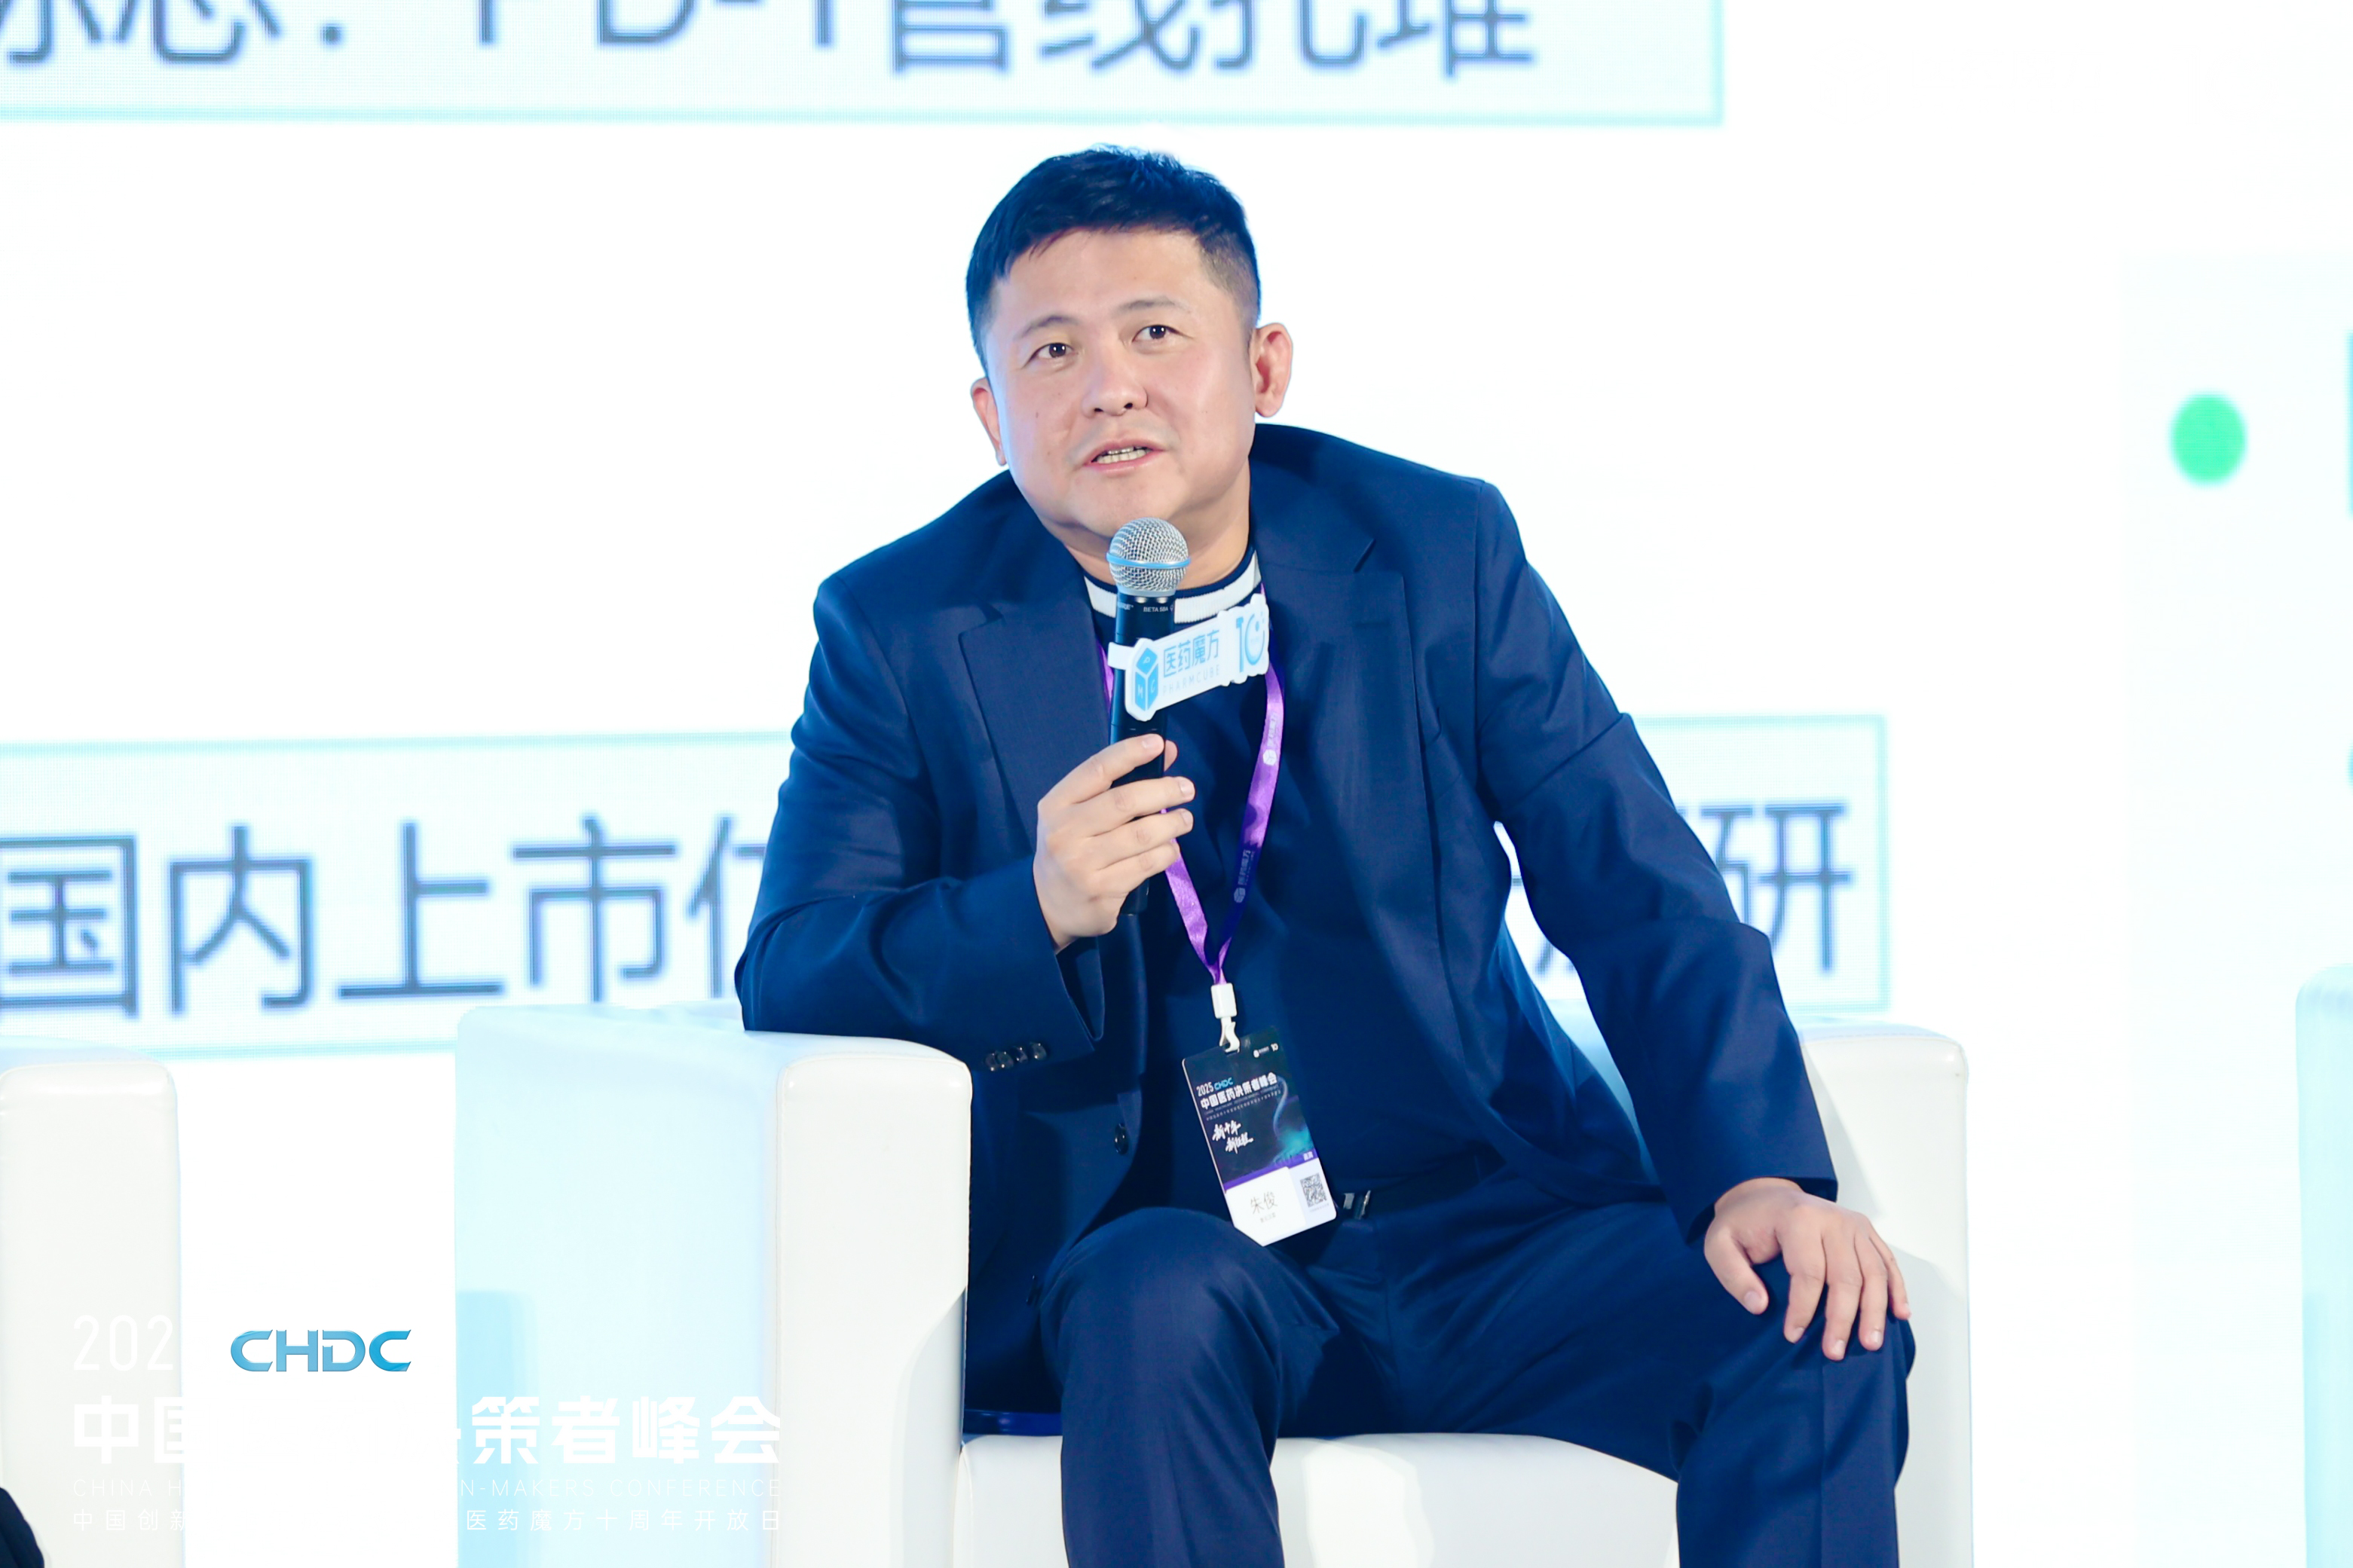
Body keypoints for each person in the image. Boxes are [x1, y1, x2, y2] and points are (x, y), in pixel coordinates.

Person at [739, 146, 1915, 1568]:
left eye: (1155, 333)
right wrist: (1030, 912)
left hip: (1488, 1226)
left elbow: (1630, 882)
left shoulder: (1432, 549)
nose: (1107, 387)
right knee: (1149, 1296)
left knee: (1812, 1317)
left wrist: (1753, 1174)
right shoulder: (899, 626)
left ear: (1263, 368)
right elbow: (794, 966)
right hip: (1191, 1268)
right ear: (992, 415)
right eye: (1051, 352)